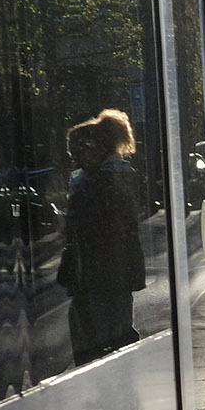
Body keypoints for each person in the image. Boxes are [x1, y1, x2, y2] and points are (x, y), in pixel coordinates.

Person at [58, 109, 147, 364]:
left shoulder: (103, 182)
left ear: (94, 149)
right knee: (109, 330)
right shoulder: (105, 177)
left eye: (75, 151)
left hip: (103, 274)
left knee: (99, 336)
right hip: (106, 273)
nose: (73, 158)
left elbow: (94, 231)